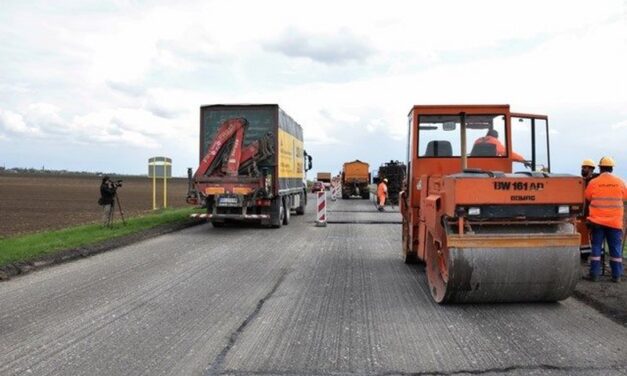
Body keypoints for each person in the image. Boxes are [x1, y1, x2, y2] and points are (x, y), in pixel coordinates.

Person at [584, 156, 627, 282]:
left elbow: (587, 197)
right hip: (614, 222)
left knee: (596, 247)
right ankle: (616, 276)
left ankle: (594, 275)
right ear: (612, 168)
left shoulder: (594, 182)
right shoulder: (620, 182)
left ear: (600, 168)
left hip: (597, 221)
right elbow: (624, 197)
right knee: (615, 249)